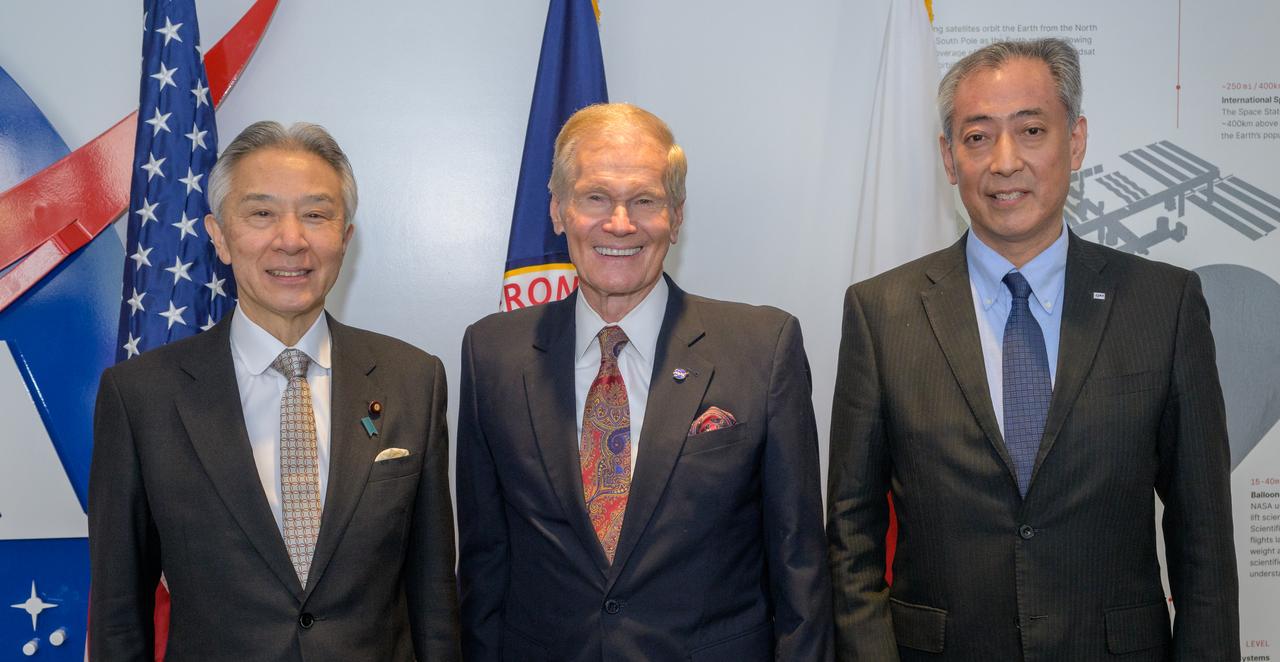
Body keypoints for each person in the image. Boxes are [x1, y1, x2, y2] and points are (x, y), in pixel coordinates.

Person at [827, 38, 1238, 660]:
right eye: (977, 137)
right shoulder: (881, 311)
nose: (1005, 161)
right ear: (948, 157)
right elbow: (851, 535)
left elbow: (1202, 537)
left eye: (1032, 130)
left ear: (1074, 142)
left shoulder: (1165, 304)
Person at [457, 103, 832, 661]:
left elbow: (799, 562)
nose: (620, 224)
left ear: (676, 217)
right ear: (558, 210)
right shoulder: (492, 352)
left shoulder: (762, 346)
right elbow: (486, 565)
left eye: (645, 201)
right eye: (595, 198)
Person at [89, 121, 459, 661]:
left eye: (316, 214)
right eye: (261, 213)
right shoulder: (141, 396)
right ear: (218, 235)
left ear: (345, 238)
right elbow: (120, 615)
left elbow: (434, 597)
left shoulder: (413, 379)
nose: (292, 239)